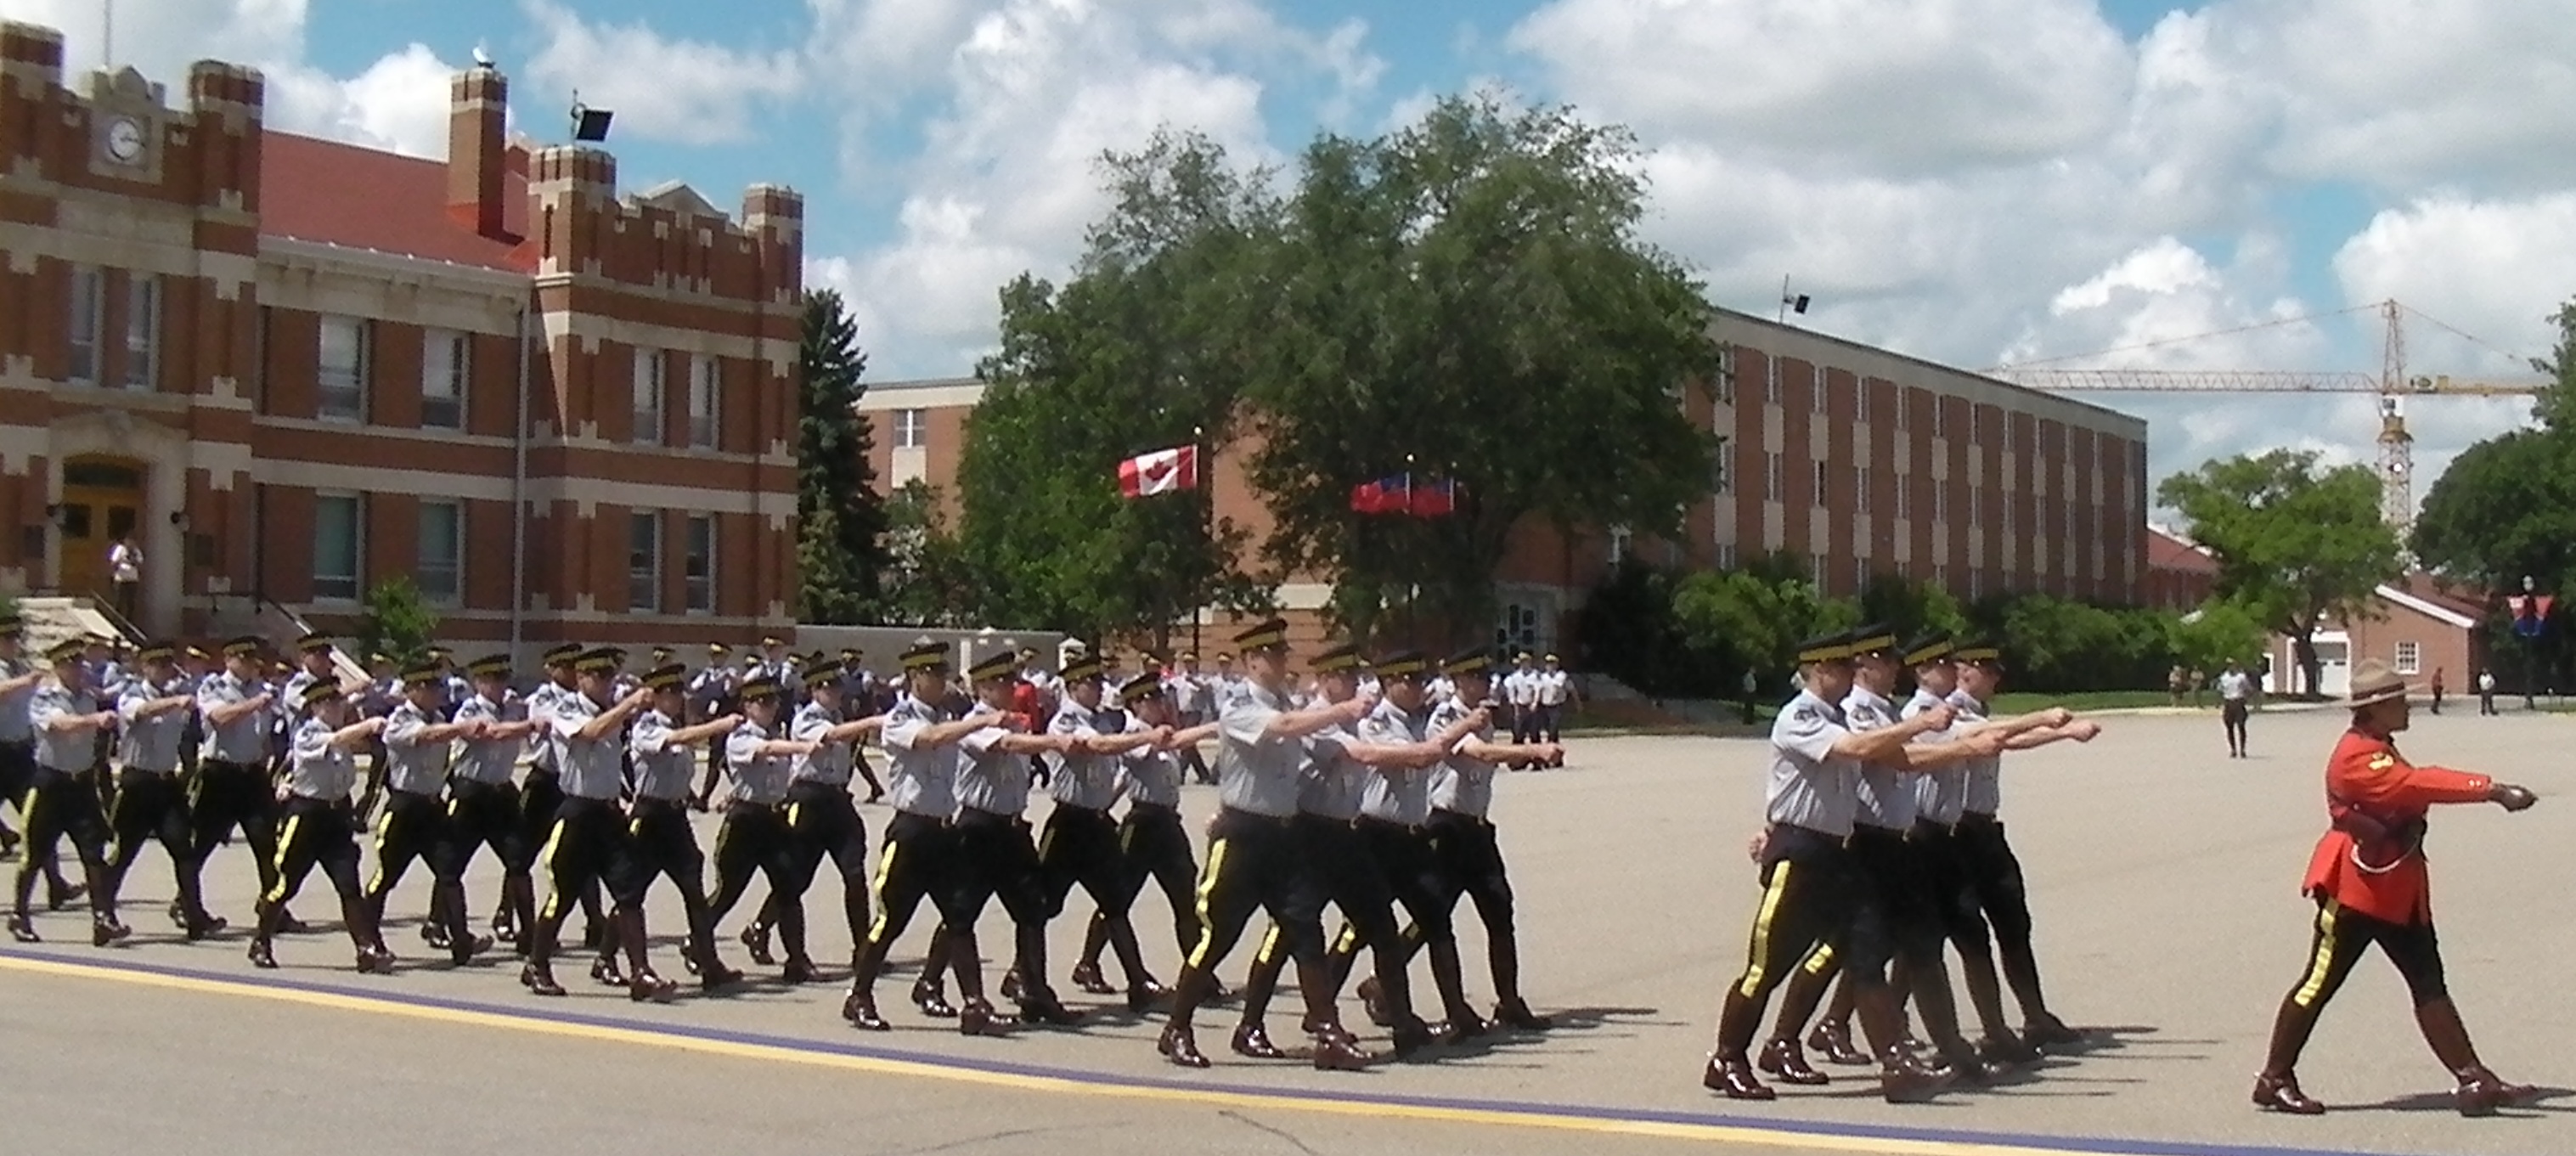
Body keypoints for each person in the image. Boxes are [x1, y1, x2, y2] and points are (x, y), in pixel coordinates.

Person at [1702, 629, 1987, 1103]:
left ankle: (1897, 1065)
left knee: (1867, 954)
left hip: (1837, 853)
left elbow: (1889, 757)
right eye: (1842, 668)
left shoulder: (1838, 717)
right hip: (1800, 855)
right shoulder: (1800, 717)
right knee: (1765, 968)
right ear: (1820, 671)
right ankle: (1727, 1058)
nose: (1851, 675)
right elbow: (1857, 751)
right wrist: (1922, 724)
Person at [2251, 658, 2539, 1117]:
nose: (2408, 707)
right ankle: (2274, 1077)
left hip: (2393, 892)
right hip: (2355, 891)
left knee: (2428, 982)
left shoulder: (2377, 745)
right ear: (2374, 709)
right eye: (2399, 701)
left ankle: (2471, 1075)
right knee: (2318, 983)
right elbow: (2415, 784)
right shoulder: (2358, 757)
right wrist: (2491, 790)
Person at [1156, 617, 1372, 1071]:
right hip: (1244, 835)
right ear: (1251, 661)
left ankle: (1326, 1032)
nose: (1280, 660)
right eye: (1272, 654)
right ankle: (1177, 1026)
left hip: (1283, 835)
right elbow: (1288, 726)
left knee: (1304, 928)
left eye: (1281, 653)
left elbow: (1290, 724)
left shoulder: (1281, 701)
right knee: (1218, 937)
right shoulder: (1240, 703)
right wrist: (1342, 710)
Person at [841, 640, 1006, 1033]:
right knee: (890, 921)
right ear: (915, 678)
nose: (940, 681)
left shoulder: (948, 717)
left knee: (960, 917)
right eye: (933, 675)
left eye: (943, 674)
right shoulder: (900, 718)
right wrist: (981, 722)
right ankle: (859, 995)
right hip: (911, 832)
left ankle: (974, 1003)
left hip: (944, 833)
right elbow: (929, 739)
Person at [1027, 651, 1170, 1011]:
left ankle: (1138, 982)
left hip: (1096, 824)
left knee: (1115, 902)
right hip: (1069, 824)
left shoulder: (1100, 720)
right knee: (1041, 905)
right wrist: (1146, 737)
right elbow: (1101, 747)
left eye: (1098, 684)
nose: (1097, 690)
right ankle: (1023, 975)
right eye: (1091, 684)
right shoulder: (1064, 722)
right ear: (1074, 688)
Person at [1068, 671, 1220, 1002]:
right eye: (1152, 700)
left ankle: (1200, 971)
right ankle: (1088, 962)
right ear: (1137, 705)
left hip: (1168, 824)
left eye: (1161, 698)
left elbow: (1124, 777)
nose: (1160, 704)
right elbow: (1135, 759)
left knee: (1185, 897)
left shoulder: (1156, 734)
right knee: (1119, 897)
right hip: (1142, 824)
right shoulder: (1136, 734)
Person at [518, 648, 652, 997]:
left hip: (608, 814)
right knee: (562, 896)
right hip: (577, 812)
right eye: (599, 676)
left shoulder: (611, 711)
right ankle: (537, 964)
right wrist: (628, 707)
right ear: (581, 678)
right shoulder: (566, 709)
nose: (606, 683)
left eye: (610, 677)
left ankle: (641, 971)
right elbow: (590, 733)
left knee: (629, 892)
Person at [249, 679, 392, 973]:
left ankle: (366, 949)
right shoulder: (308, 734)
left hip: (336, 818)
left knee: (348, 886)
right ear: (316, 707)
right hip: (307, 817)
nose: (337, 708)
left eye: (339, 703)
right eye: (330, 703)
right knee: (284, 885)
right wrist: (367, 726)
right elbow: (336, 741)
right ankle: (261, 940)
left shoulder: (338, 734)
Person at [623, 663, 744, 995]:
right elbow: (671, 741)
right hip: (649, 815)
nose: (678, 698)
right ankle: (628, 966)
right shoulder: (646, 725)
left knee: (693, 888)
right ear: (657, 696)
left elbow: (678, 771)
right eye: (671, 693)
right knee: (632, 891)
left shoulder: (678, 726)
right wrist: (717, 726)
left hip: (674, 817)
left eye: (680, 692)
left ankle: (709, 963)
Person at [363, 662, 488, 966]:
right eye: (430, 688)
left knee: (450, 873)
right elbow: (426, 736)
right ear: (414, 690)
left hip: (433, 807)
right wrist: (461, 729)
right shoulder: (399, 720)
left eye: (438, 687)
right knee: (386, 877)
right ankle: (368, 938)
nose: (437, 693)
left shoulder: (441, 717)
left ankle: (461, 939)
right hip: (405, 808)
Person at [13, 638, 123, 945]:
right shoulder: (45, 698)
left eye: (80, 664)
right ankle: (20, 915)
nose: (78, 670)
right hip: (51, 783)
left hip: (81, 785)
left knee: (93, 851)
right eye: (72, 665)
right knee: (34, 853)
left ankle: (103, 919)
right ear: (59, 667)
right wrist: (95, 720)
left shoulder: (87, 697)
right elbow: (60, 725)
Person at [103, 641, 215, 942]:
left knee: (185, 851)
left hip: (167, 784)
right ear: (146, 667)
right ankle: (104, 914)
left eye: (168, 665)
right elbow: (139, 712)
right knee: (123, 852)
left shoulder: (173, 696)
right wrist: (176, 702)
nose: (165, 671)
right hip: (138, 782)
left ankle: (194, 914)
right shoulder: (132, 693)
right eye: (159, 665)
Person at [443, 654, 540, 960]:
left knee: (519, 862)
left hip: (501, 794)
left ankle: (530, 934)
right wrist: (529, 725)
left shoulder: (513, 707)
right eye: (492, 680)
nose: (499, 686)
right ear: (478, 683)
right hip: (471, 793)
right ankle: (455, 933)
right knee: (451, 865)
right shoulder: (470, 709)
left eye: (503, 679)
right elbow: (491, 732)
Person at [1533, 654, 1572, 747]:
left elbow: (1562, 688)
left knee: (1553, 730)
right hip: (1544, 706)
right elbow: (1539, 690)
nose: (1549, 666)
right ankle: (1556, 756)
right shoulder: (1542, 677)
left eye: (1552, 664)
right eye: (1548, 664)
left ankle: (1550, 750)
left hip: (1556, 706)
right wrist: (1535, 703)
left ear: (1556, 665)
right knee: (1547, 728)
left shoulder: (1561, 675)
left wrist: (1578, 703)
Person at [2218, 660, 2253, 758]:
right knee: (2229, 728)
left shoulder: (2241, 677)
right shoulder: (2224, 678)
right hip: (2228, 702)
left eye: (2232, 665)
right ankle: (2233, 749)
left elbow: (2249, 688)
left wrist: (2246, 698)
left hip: (2238, 701)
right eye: (2229, 665)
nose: (2231, 667)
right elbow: (2220, 690)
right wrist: (2221, 701)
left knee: (2241, 727)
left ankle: (2242, 749)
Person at [108, 534, 141, 623]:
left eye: (132, 540)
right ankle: (115, 624)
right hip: (121, 579)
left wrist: (132, 560)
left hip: (132, 580)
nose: (130, 542)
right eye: (128, 540)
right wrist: (123, 560)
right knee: (118, 603)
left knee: (131, 605)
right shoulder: (120, 549)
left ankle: (128, 627)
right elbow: (113, 561)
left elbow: (140, 562)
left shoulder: (136, 551)